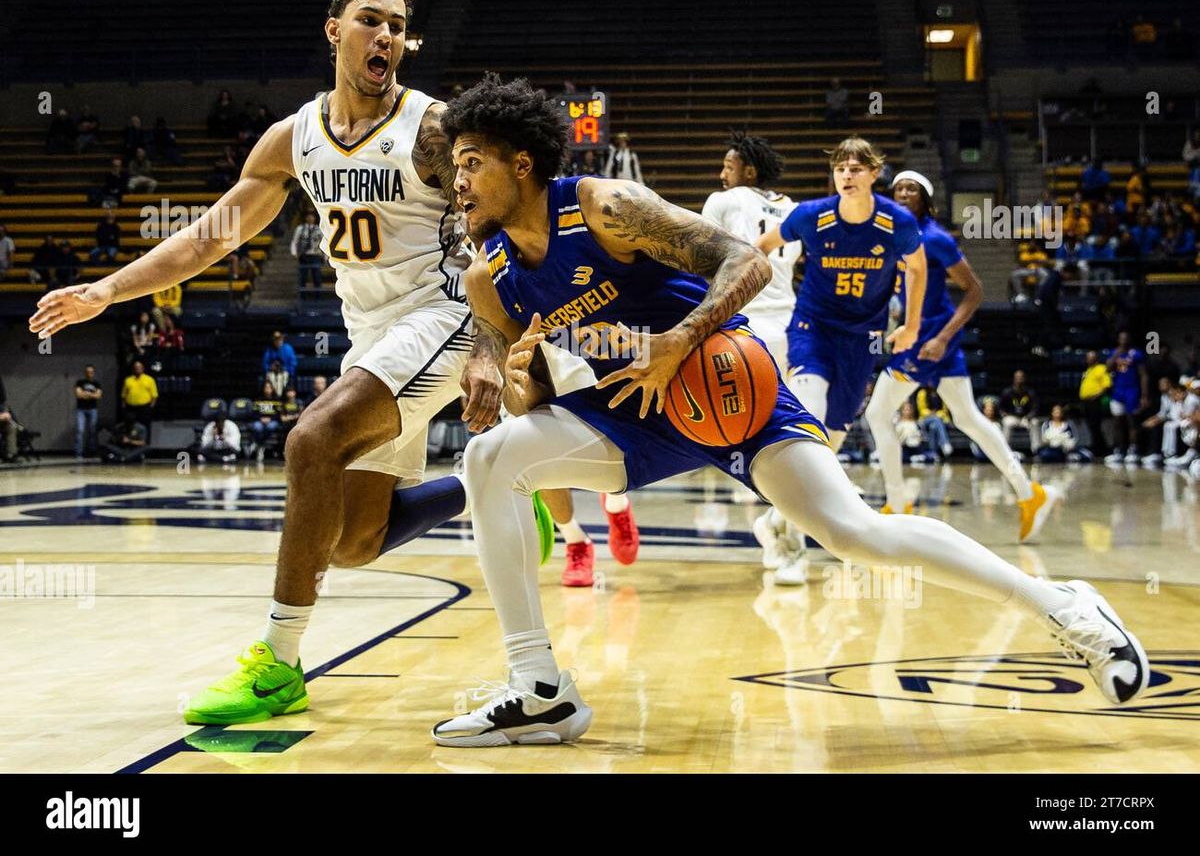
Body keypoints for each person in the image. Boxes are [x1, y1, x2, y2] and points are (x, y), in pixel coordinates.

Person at [429, 73, 1148, 747]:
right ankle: (540, 685)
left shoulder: (602, 206)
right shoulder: (487, 277)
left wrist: (677, 342)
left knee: (854, 533)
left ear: (522, 164)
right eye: (453, 167)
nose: (456, 182)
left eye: (470, 163)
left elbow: (747, 261)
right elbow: (532, 401)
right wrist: (508, 381)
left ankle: (1063, 606)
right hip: (633, 414)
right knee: (491, 457)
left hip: (726, 384)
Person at [28, 0, 550, 726]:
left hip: (440, 316)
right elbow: (212, 236)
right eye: (373, 21)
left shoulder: (434, 130)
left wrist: (484, 346)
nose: (388, 37)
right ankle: (487, 489)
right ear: (336, 30)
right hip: (372, 335)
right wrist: (108, 291)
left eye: (400, 27)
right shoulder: (294, 139)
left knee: (311, 440)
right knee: (348, 541)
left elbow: (502, 231)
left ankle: (277, 666)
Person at [754, 138, 927, 561]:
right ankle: (789, 548)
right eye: (840, 169)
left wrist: (912, 325)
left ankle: (776, 519)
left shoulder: (896, 222)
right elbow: (760, 246)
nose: (846, 175)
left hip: (863, 337)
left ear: (873, 174)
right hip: (813, 327)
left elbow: (919, 268)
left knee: (829, 440)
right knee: (808, 418)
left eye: (855, 168)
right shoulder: (812, 216)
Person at [865, 171, 1055, 540]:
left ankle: (896, 501)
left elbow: (974, 291)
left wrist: (942, 337)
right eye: (899, 188)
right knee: (968, 418)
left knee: (876, 413)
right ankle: (1029, 493)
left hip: (930, 340)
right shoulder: (893, 235)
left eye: (912, 189)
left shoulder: (936, 239)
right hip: (921, 337)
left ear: (925, 198)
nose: (903, 193)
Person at [700, 131, 805, 579]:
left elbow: (699, 259)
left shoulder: (724, 201)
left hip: (741, 326)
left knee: (762, 440)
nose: (722, 174)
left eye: (728, 165)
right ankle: (783, 537)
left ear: (749, 171)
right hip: (793, 326)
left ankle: (786, 541)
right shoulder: (797, 210)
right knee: (791, 437)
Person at [1104, 331, 1149, 465]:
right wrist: (1117, 354)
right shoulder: (1113, 353)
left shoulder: (1137, 354)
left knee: (1132, 422)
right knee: (1117, 422)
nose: (1124, 340)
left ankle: (1133, 449)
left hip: (1132, 390)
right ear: (1118, 340)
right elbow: (1107, 368)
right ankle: (1118, 450)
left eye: (1126, 338)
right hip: (1118, 391)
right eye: (1121, 338)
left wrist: (1144, 395)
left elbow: (1143, 375)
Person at [999, 369, 1041, 455]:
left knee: (1035, 423)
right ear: (1014, 379)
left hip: (1026, 418)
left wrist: (1029, 416)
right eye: (1017, 377)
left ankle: (1036, 450)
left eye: (1021, 377)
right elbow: (1001, 407)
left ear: (1025, 379)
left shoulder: (1030, 392)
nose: (1019, 379)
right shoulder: (1007, 392)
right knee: (1007, 423)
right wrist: (1004, 414)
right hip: (1012, 417)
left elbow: (1035, 408)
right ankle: (1005, 450)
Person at [1078, 350, 1112, 455]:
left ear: (1096, 358)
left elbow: (1107, 385)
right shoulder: (1088, 370)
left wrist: (1096, 397)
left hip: (1096, 402)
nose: (1088, 359)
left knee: (1096, 425)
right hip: (1086, 402)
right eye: (1087, 357)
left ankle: (1102, 450)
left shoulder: (1101, 369)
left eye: (1090, 357)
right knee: (1091, 426)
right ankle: (1096, 448)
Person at [290, 207, 325, 290]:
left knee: (317, 277)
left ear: (315, 217)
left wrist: (325, 256)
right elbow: (295, 241)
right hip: (304, 255)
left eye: (312, 216)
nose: (310, 218)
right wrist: (294, 252)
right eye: (308, 216)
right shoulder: (300, 228)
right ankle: (302, 297)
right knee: (303, 277)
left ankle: (317, 297)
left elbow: (324, 241)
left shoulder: (319, 229)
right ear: (305, 218)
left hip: (315, 255)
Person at [249, 381, 283, 460]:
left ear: (272, 389)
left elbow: (278, 414)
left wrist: (270, 418)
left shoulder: (276, 400)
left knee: (270, 427)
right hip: (260, 420)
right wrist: (261, 418)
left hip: (272, 420)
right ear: (263, 389)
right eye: (266, 387)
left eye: (269, 387)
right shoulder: (258, 399)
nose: (267, 389)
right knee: (257, 427)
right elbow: (254, 413)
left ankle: (258, 445)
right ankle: (261, 446)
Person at [74, 365, 103, 459]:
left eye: (91, 372)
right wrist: (91, 394)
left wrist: (86, 394)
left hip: (92, 409)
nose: (89, 373)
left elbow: (98, 396)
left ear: (93, 373)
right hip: (81, 409)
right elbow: (78, 395)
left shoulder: (96, 383)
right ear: (85, 373)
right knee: (80, 430)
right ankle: (79, 453)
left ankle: (92, 452)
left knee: (92, 431)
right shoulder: (80, 382)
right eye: (87, 372)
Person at [121, 359, 157, 430]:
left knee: (145, 427)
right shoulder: (128, 380)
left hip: (144, 408)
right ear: (133, 369)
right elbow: (123, 395)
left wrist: (151, 407)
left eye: (139, 367)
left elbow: (154, 396)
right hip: (131, 408)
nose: (138, 368)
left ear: (143, 368)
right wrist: (124, 407)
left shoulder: (149, 379)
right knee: (131, 427)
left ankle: (146, 441)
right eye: (136, 367)